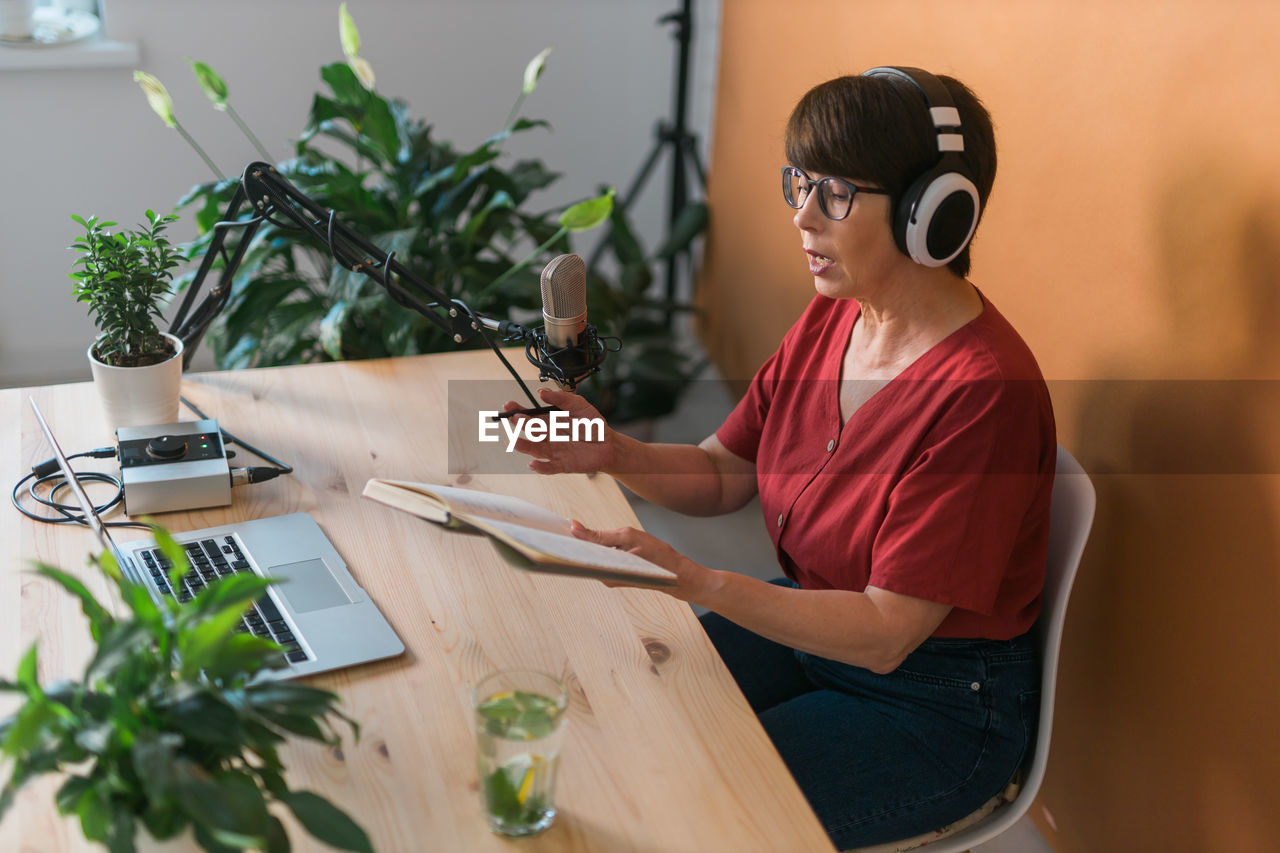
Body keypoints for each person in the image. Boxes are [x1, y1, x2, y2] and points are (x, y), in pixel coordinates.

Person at [504, 67, 1055, 849]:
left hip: (932, 703)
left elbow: (885, 631)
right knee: (628, 715)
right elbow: (725, 471)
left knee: (692, 811)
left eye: (835, 193)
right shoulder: (837, 317)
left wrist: (696, 579)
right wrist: (609, 447)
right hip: (815, 619)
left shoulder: (982, 395)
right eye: (799, 181)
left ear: (932, 214)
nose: (801, 215)